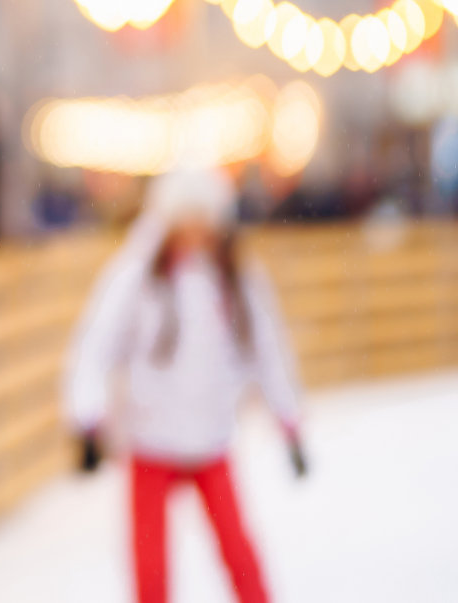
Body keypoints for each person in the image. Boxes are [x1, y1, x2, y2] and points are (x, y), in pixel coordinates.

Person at [63, 167, 307, 603]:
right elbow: (96, 344)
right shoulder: (138, 275)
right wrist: (88, 416)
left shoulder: (234, 278)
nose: (195, 232)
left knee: (239, 551)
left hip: (211, 435)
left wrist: (288, 418)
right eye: (185, 220)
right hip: (151, 436)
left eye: (203, 220)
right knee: (150, 567)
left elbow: (267, 349)